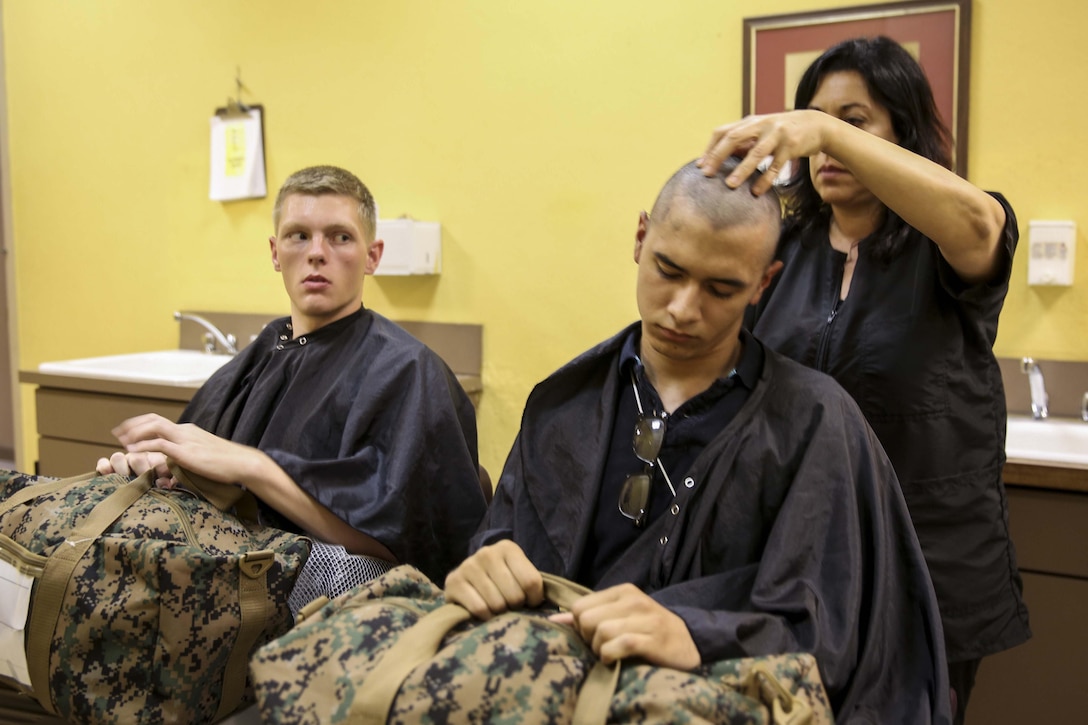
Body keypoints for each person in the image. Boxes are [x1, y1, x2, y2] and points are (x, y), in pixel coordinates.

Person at [445, 157, 951, 723]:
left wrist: (699, 633)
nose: (684, 309)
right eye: (669, 269)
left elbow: (832, 637)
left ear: (764, 283)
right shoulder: (565, 401)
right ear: (641, 238)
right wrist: (484, 565)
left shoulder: (814, 422)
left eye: (721, 288)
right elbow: (500, 546)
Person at [697, 36, 1030, 724]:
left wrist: (823, 129)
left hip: (932, 568)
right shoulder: (783, 249)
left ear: (901, 132)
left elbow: (979, 219)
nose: (828, 146)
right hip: (798, 561)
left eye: (856, 121)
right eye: (818, 122)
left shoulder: (947, 240)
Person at [96, 164, 487, 584]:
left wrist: (253, 468)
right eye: (299, 235)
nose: (317, 252)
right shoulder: (264, 354)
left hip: (331, 606)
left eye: (340, 236)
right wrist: (160, 470)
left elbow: (403, 551)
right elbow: (200, 469)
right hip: (225, 577)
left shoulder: (408, 372)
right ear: (274, 252)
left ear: (373, 256)